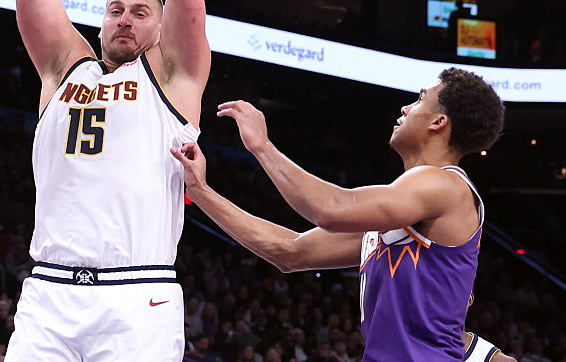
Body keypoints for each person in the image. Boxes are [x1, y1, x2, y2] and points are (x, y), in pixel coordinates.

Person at [5, 0, 209, 361]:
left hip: (138, 298)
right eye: (114, 10)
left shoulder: (175, 77)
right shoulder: (63, 70)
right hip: (48, 295)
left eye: (141, 13)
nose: (125, 20)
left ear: (161, 30)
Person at [172, 68, 505, 361]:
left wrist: (262, 146)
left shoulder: (445, 184)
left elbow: (329, 210)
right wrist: (200, 191)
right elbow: (291, 252)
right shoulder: (400, 214)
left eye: (419, 100)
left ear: (438, 122)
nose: (405, 108)